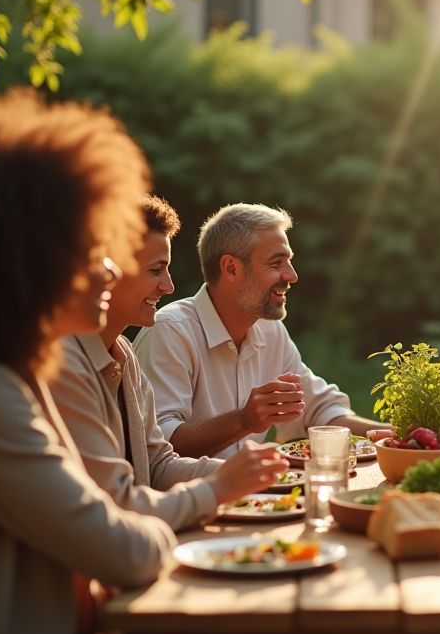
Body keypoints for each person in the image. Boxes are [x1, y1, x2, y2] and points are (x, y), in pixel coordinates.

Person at [0, 90, 176, 634]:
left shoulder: (5, 374)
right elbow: (121, 550)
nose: (110, 269)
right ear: (21, 258)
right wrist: (166, 532)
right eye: (89, 246)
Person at [50, 196, 288, 531]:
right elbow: (112, 505)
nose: (168, 286)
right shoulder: (63, 365)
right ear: (107, 270)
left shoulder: (124, 356)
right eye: (154, 270)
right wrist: (218, 487)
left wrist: (245, 472)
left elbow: (158, 465)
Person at [133, 203, 383, 459]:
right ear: (231, 268)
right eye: (276, 263)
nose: (292, 276)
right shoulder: (170, 332)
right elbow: (159, 444)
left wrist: (392, 436)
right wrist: (244, 421)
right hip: (192, 498)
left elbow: (319, 410)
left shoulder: (270, 331)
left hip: (253, 496)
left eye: (289, 262)